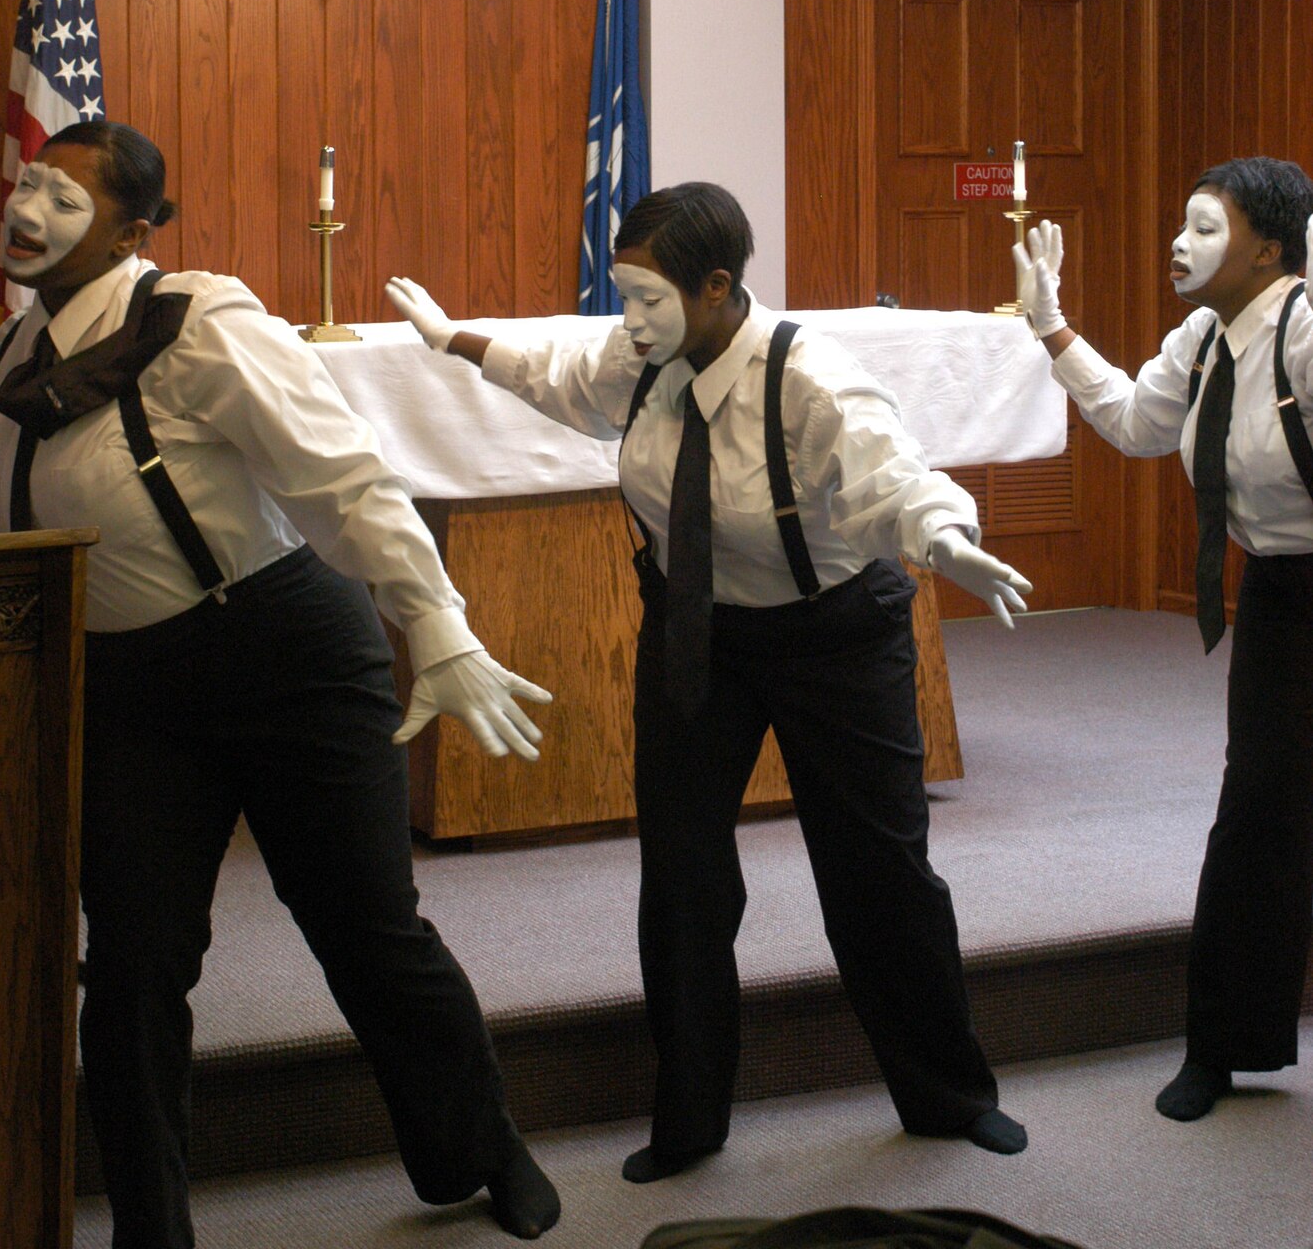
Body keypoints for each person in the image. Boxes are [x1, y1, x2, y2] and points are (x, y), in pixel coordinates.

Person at [0, 120, 560, 1249]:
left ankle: (479, 1144)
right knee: (136, 967)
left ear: (133, 230)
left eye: (65, 195)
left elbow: (345, 481)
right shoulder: (5, 364)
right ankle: (154, 1228)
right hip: (130, 691)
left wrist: (434, 624)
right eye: (29, 183)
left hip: (287, 656)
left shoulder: (199, 320)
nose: (29, 207)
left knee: (366, 931)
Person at [388, 180, 1033, 1183]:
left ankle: (949, 1096)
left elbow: (891, 472)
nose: (627, 320)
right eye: (623, 293)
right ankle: (689, 1116)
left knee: (877, 875)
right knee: (683, 878)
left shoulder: (811, 380)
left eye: (647, 297)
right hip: (697, 633)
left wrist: (944, 535)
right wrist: (455, 341)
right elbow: (562, 377)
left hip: (836, 641)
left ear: (720, 286)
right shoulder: (641, 355)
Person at [1013, 155, 1313, 1124]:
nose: (1178, 244)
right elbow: (1140, 425)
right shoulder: (1201, 335)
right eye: (1180, 223)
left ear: (1268, 248)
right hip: (1279, 590)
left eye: (1204, 226)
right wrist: (1049, 324)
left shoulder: (1307, 332)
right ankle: (1223, 1048)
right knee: (1255, 815)